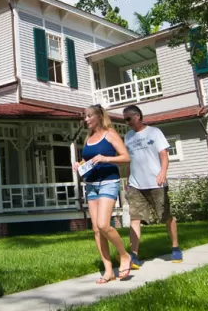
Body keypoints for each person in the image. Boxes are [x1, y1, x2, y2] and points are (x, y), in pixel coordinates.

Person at [72, 104, 132, 284]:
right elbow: (87, 160)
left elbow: (126, 157)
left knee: (104, 225)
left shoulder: (110, 134)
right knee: (97, 229)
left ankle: (124, 255)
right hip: (91, 184)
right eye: (85, 116)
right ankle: (108, 271)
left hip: (108, 182)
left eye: (89, 116)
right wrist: (79, 164)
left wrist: (105, 158)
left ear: (99, 116)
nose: (86, 119)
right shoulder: (88, 138)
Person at [122, 104, 182, 269]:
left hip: (156, 182)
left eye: (129, 119)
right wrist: (128, 181)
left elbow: (164, 155)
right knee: (135, 219)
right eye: (125, 119)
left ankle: (175, 247)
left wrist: (163, 172)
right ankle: (134, 255)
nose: (127, 122)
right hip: (136, 184)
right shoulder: (128, 137)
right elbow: (130, 161)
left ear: (138, 116)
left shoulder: (154, 132)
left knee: (166, 216)